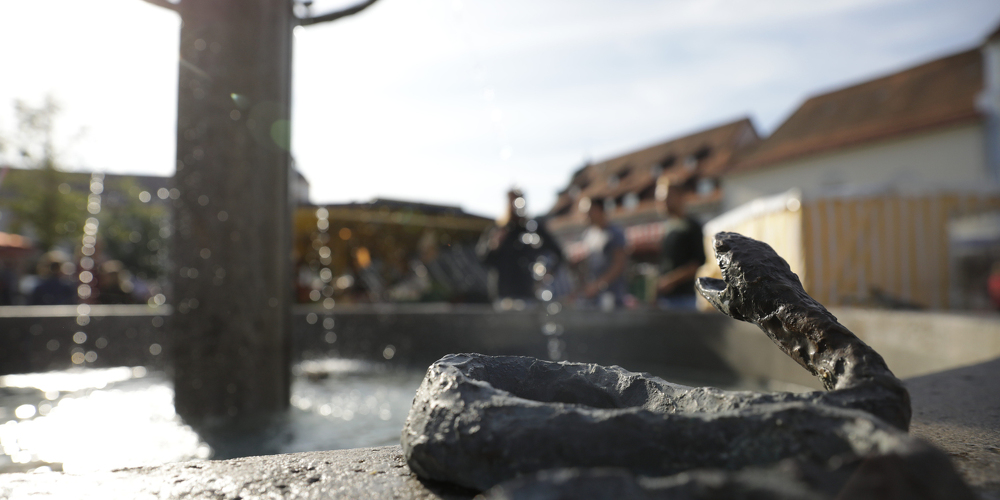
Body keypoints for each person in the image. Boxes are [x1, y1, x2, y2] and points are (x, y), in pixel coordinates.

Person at [479, 189, 564, 301]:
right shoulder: (499, 230)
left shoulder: (533, 229)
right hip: (504, 294)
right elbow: (483, 259)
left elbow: (558, 253)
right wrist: (494, 245)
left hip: (528, 293)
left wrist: (548, 273)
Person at [655, 177, 705, 309]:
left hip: (684, 298)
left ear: (679, 197)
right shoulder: (667, 227)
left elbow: (698, 262)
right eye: (660, 199)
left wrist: (670, 281)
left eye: (666, 198)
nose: (663, 202)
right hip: (665, 298)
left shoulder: (692, 226)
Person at [578, 198, 628, 309]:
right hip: (594, 297)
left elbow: (619, 265)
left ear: (598, 210)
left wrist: (598, 285)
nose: (586, 215)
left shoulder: (615, 233)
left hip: (612, 295)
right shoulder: (588, 235)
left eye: (588, 212)